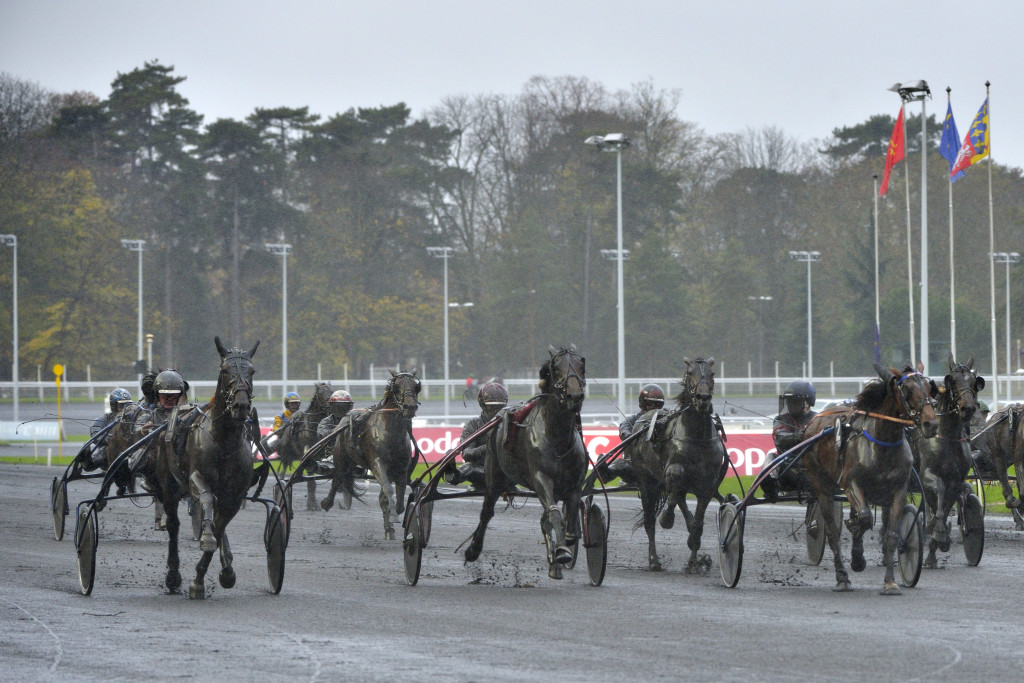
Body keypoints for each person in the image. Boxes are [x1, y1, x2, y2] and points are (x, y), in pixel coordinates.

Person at [761, 380, 818, 502]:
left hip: (812, 467)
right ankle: (770, 489)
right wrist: (801, 435)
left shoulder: (817, 419)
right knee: (771, 457)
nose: (790, 404)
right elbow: (780, 438)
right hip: (788, 471)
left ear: (806, 403)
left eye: (795, 401)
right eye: (789, 401)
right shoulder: (781, 419)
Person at [444, 382, 508, 487]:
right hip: (483, 472)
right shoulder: (473, 425)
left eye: (499, 407)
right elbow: (466, 454)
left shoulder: (511, 423)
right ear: (482, 405)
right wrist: (488, 447)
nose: (496, 411)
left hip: (507, 473)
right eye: (491, 407)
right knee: (469, 466)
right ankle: (453, 474)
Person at [83, 388, 133, 471]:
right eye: (122, 406)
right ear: (114, 406)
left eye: (128, 405)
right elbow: (95, 433)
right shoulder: (104, 419)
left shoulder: (133, 418)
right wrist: (110, 439)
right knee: (109, 448)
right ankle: (89, 463)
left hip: (129, 453)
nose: (125, 408)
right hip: (109, 458)